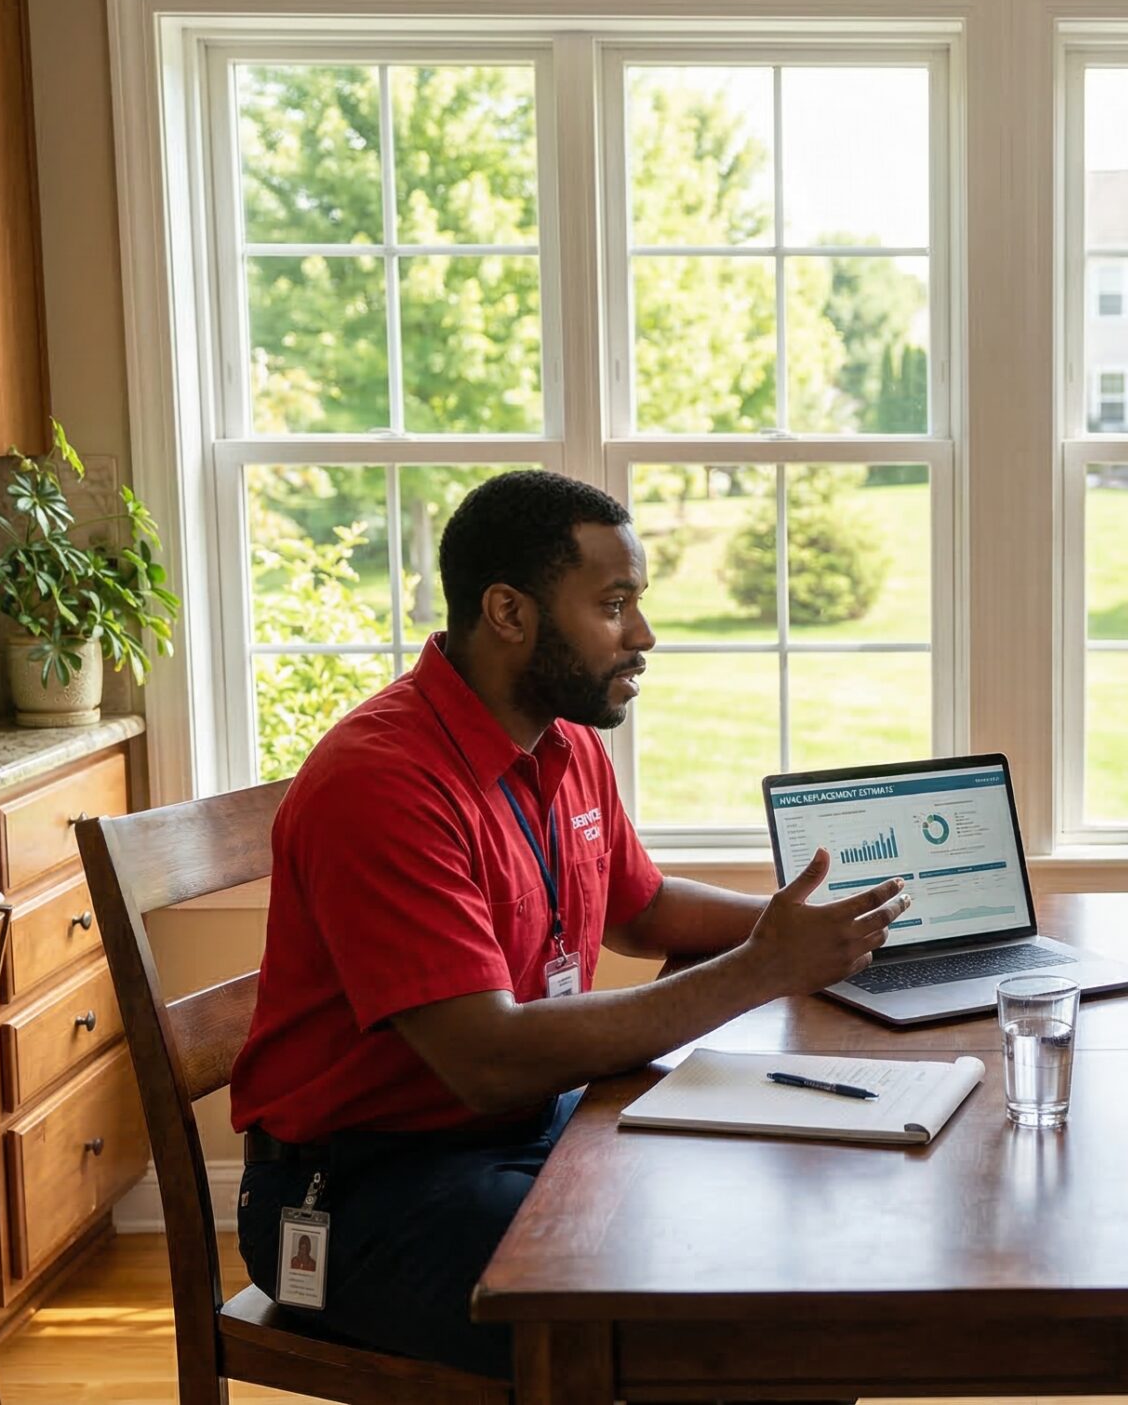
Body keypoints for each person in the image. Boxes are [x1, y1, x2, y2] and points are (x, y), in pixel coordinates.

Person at [230, 470, 911, 1379]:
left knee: (791, 1258)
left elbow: (642, 906)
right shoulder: (382, 783)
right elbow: (488, 1057)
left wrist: (819, 933)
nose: (644, 634)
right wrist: (763, 967)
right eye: (614, 603)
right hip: (360, 1192)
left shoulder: (564, 736)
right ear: (508, 613)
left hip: (535, 1124)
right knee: (735, 1326)